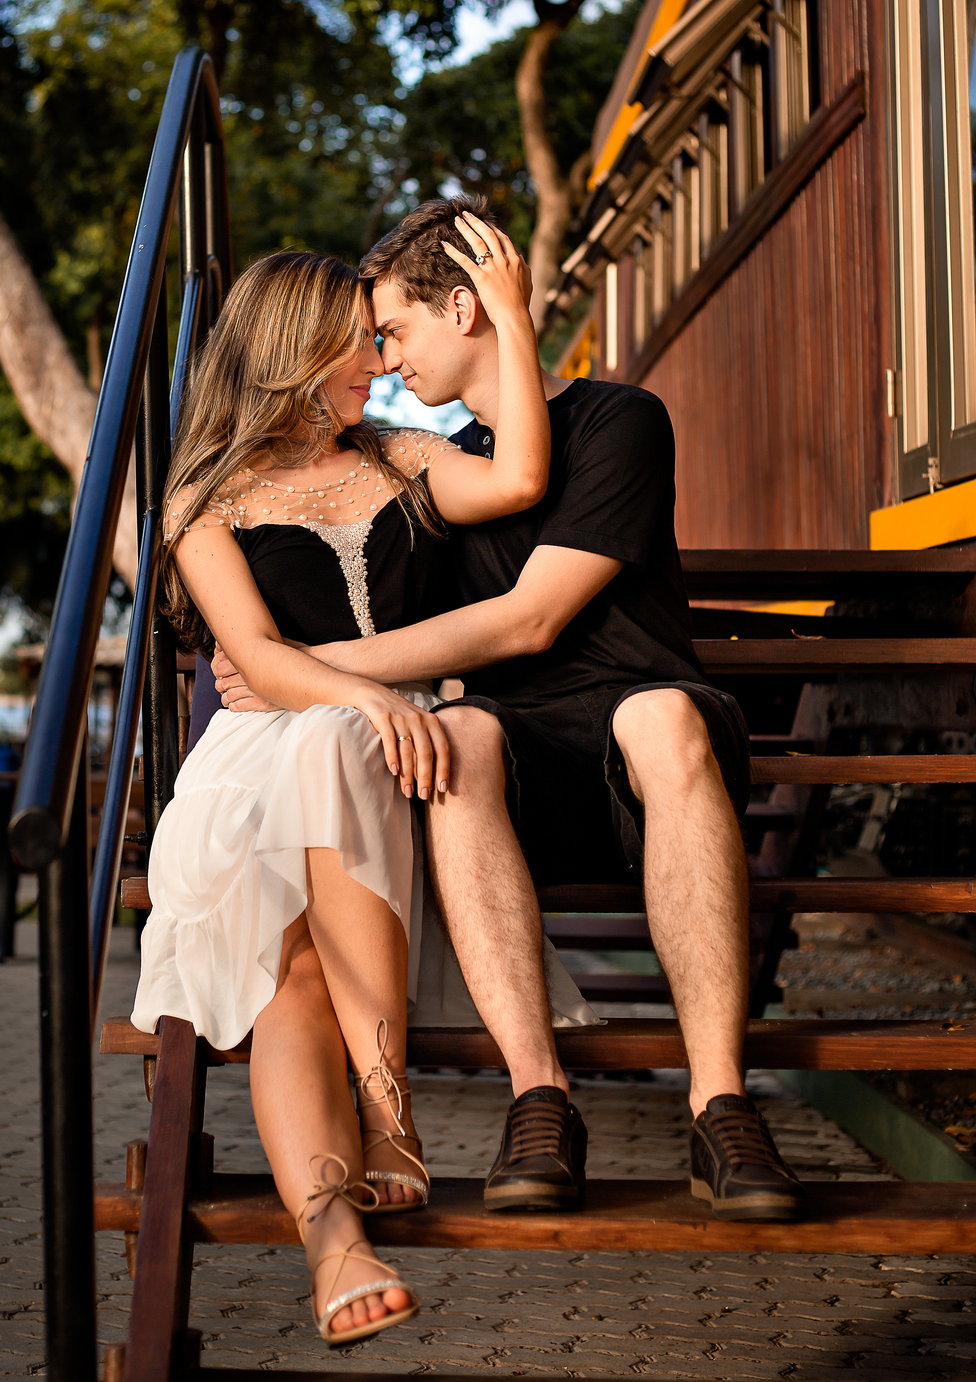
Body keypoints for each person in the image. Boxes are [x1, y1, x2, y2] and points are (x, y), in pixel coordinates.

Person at [213, 194, 806, 1224]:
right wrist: (264, 666)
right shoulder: (432, 471)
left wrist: (316, 659)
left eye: (395, 330)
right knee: (466, 729)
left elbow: (530, 621)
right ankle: (540, 1098)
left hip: (655, 755)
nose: (385, 360)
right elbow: (322, 554)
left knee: (656, 716)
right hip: (511, 768)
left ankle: (722, 1110)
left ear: (469, 307)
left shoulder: (620, 421)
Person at [130, 222, 590, 1349]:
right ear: (293, 349)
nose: (380, 364)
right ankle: (362, 1177)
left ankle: (358, 1188)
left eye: (381, 344)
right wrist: (374, 695)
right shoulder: (204, 501)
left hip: (395, 765)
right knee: (300, 900)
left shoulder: (396, 454)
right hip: (267, 766)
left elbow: (525, 475)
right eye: (358, 346)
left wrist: (512, 317)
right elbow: (260, 655)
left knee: (304, 937)